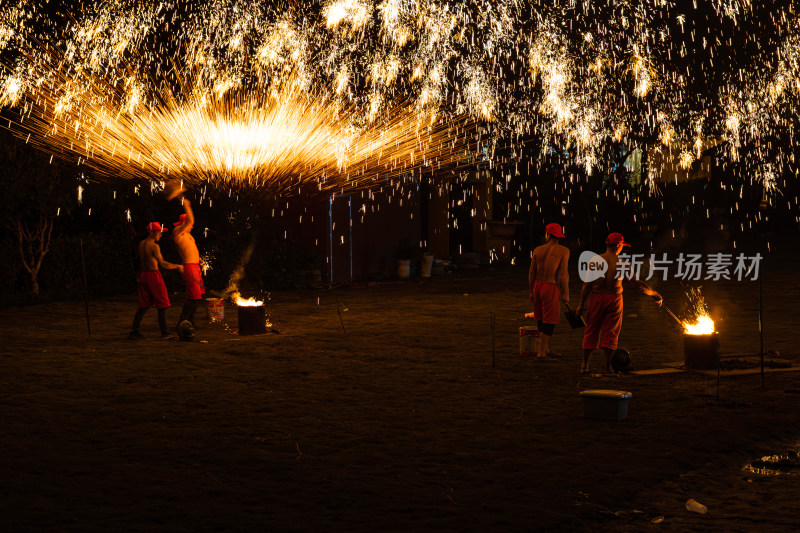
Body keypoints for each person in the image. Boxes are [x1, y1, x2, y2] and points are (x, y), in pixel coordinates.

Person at [576, 232, 662, 374]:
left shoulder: (595, 261)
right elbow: (637, 284)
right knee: (610, 332)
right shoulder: (622, 264)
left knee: (591, 330)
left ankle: (584, 365)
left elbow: (587, 285)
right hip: (614, 300)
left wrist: (581, 304)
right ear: (618, 245)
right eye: (622, 245)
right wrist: (654, 294)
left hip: (597, 298)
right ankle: (606, 366)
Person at [130, 222, 183, 338]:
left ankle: (135, 330)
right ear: (152, 232)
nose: (160, 235)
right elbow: (163, 264)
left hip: (143, 276)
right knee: (163, 304)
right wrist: (178, 266)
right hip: (153, 276)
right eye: (159, 232)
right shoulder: (154, 246)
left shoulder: (141, 244)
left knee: (144, 305)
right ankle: (165, 333)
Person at [528, 222, 570, 358]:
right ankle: (541, 351)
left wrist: (531, 291)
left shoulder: (537, 250)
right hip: (550, 286)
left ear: (547, 235)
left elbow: (531, 272)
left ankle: (545, 348)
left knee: (540, 317)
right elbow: (563, 274)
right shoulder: (563, 251)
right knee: (550, 320)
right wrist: (565, 293)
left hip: (537, 286)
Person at [172, 196, 205, 327]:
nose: (192, 226)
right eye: (190, 224)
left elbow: (190, 250)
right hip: (189, 268)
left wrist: (198, 259)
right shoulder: (177, 232)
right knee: (193, 297)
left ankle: (190, 320)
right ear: (185, 223)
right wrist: (187, 204)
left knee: (199, 295)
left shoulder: (188, 235)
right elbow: (190, 220)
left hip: (195, 266)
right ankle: (183, 322)